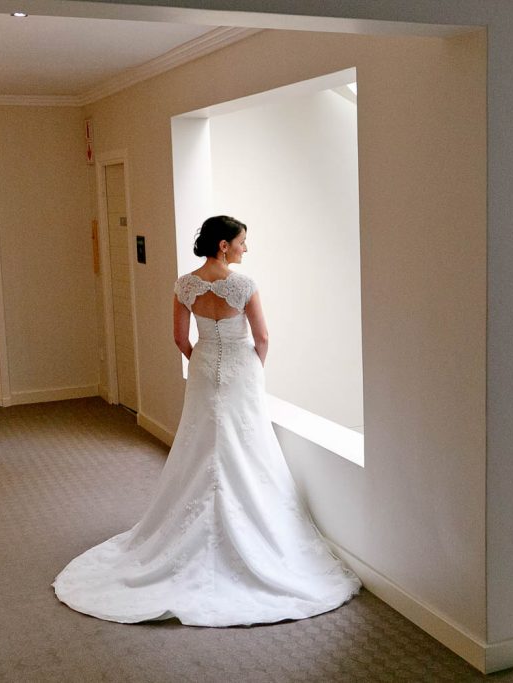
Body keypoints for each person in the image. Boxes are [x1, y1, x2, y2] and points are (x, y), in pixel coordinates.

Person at [53, 215, 360, 626]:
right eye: (242, 242)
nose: (245, 249)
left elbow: (181, 339)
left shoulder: (185, 285)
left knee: (198, 443)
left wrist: (201, 361)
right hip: (240, 369)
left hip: (202, 367)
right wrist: (250, 370)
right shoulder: (244, 285)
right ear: (223, 245)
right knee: (246, 446)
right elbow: (263, 338)